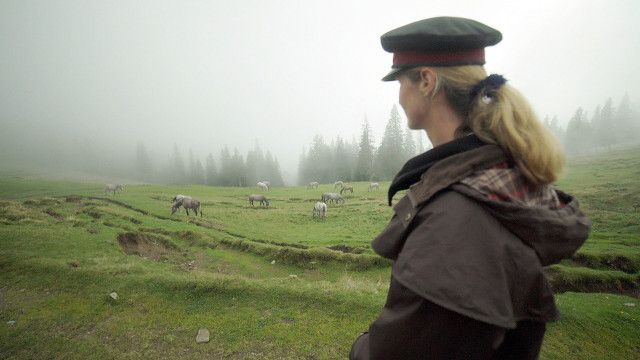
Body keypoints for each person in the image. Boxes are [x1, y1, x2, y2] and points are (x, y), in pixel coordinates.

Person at [349, 17, 590, 359]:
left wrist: (361, 346)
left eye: (400, 81)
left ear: (427, 82)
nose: (399, 95)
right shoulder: (499, 179)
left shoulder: (455, 221)